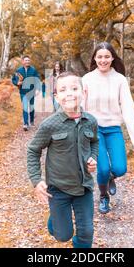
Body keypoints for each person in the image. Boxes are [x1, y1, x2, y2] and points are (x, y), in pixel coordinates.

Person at [27, 71, 99, 248]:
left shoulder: (90, 121)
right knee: (62, 235)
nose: (69, 93)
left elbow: (95, 142)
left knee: (86, 233)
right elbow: (33, 150)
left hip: (84, 187)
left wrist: (93, 158)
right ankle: (56, 217)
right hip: (58, 189)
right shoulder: (50, 125)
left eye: (74, 88)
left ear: (84, 93)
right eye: (63, 90)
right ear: (56, 97)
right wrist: (36, 181)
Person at [82, 42, 134, 214]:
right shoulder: (86, 79)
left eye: (107, 56)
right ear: (94, 58)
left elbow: (128, 109)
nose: (103, 60)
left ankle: (109, 178)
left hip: (114, 129)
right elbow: (80, 106)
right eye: (99, 56)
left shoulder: (120, 80)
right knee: (102, 168)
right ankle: (103, 196)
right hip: (94, 131)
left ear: (112, 58)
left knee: (120, 168)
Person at [11, 55, 41, 131]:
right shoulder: (19, 70)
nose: (27, 61)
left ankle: (31, 121)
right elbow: (13, 79)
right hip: (23, 92)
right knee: (25, 107)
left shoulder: (33, 70)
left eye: (28, 60)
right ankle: (25, 124)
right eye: (26, 60)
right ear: (23, 61)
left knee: (31, 107)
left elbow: (37, 79)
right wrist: (17, 83)